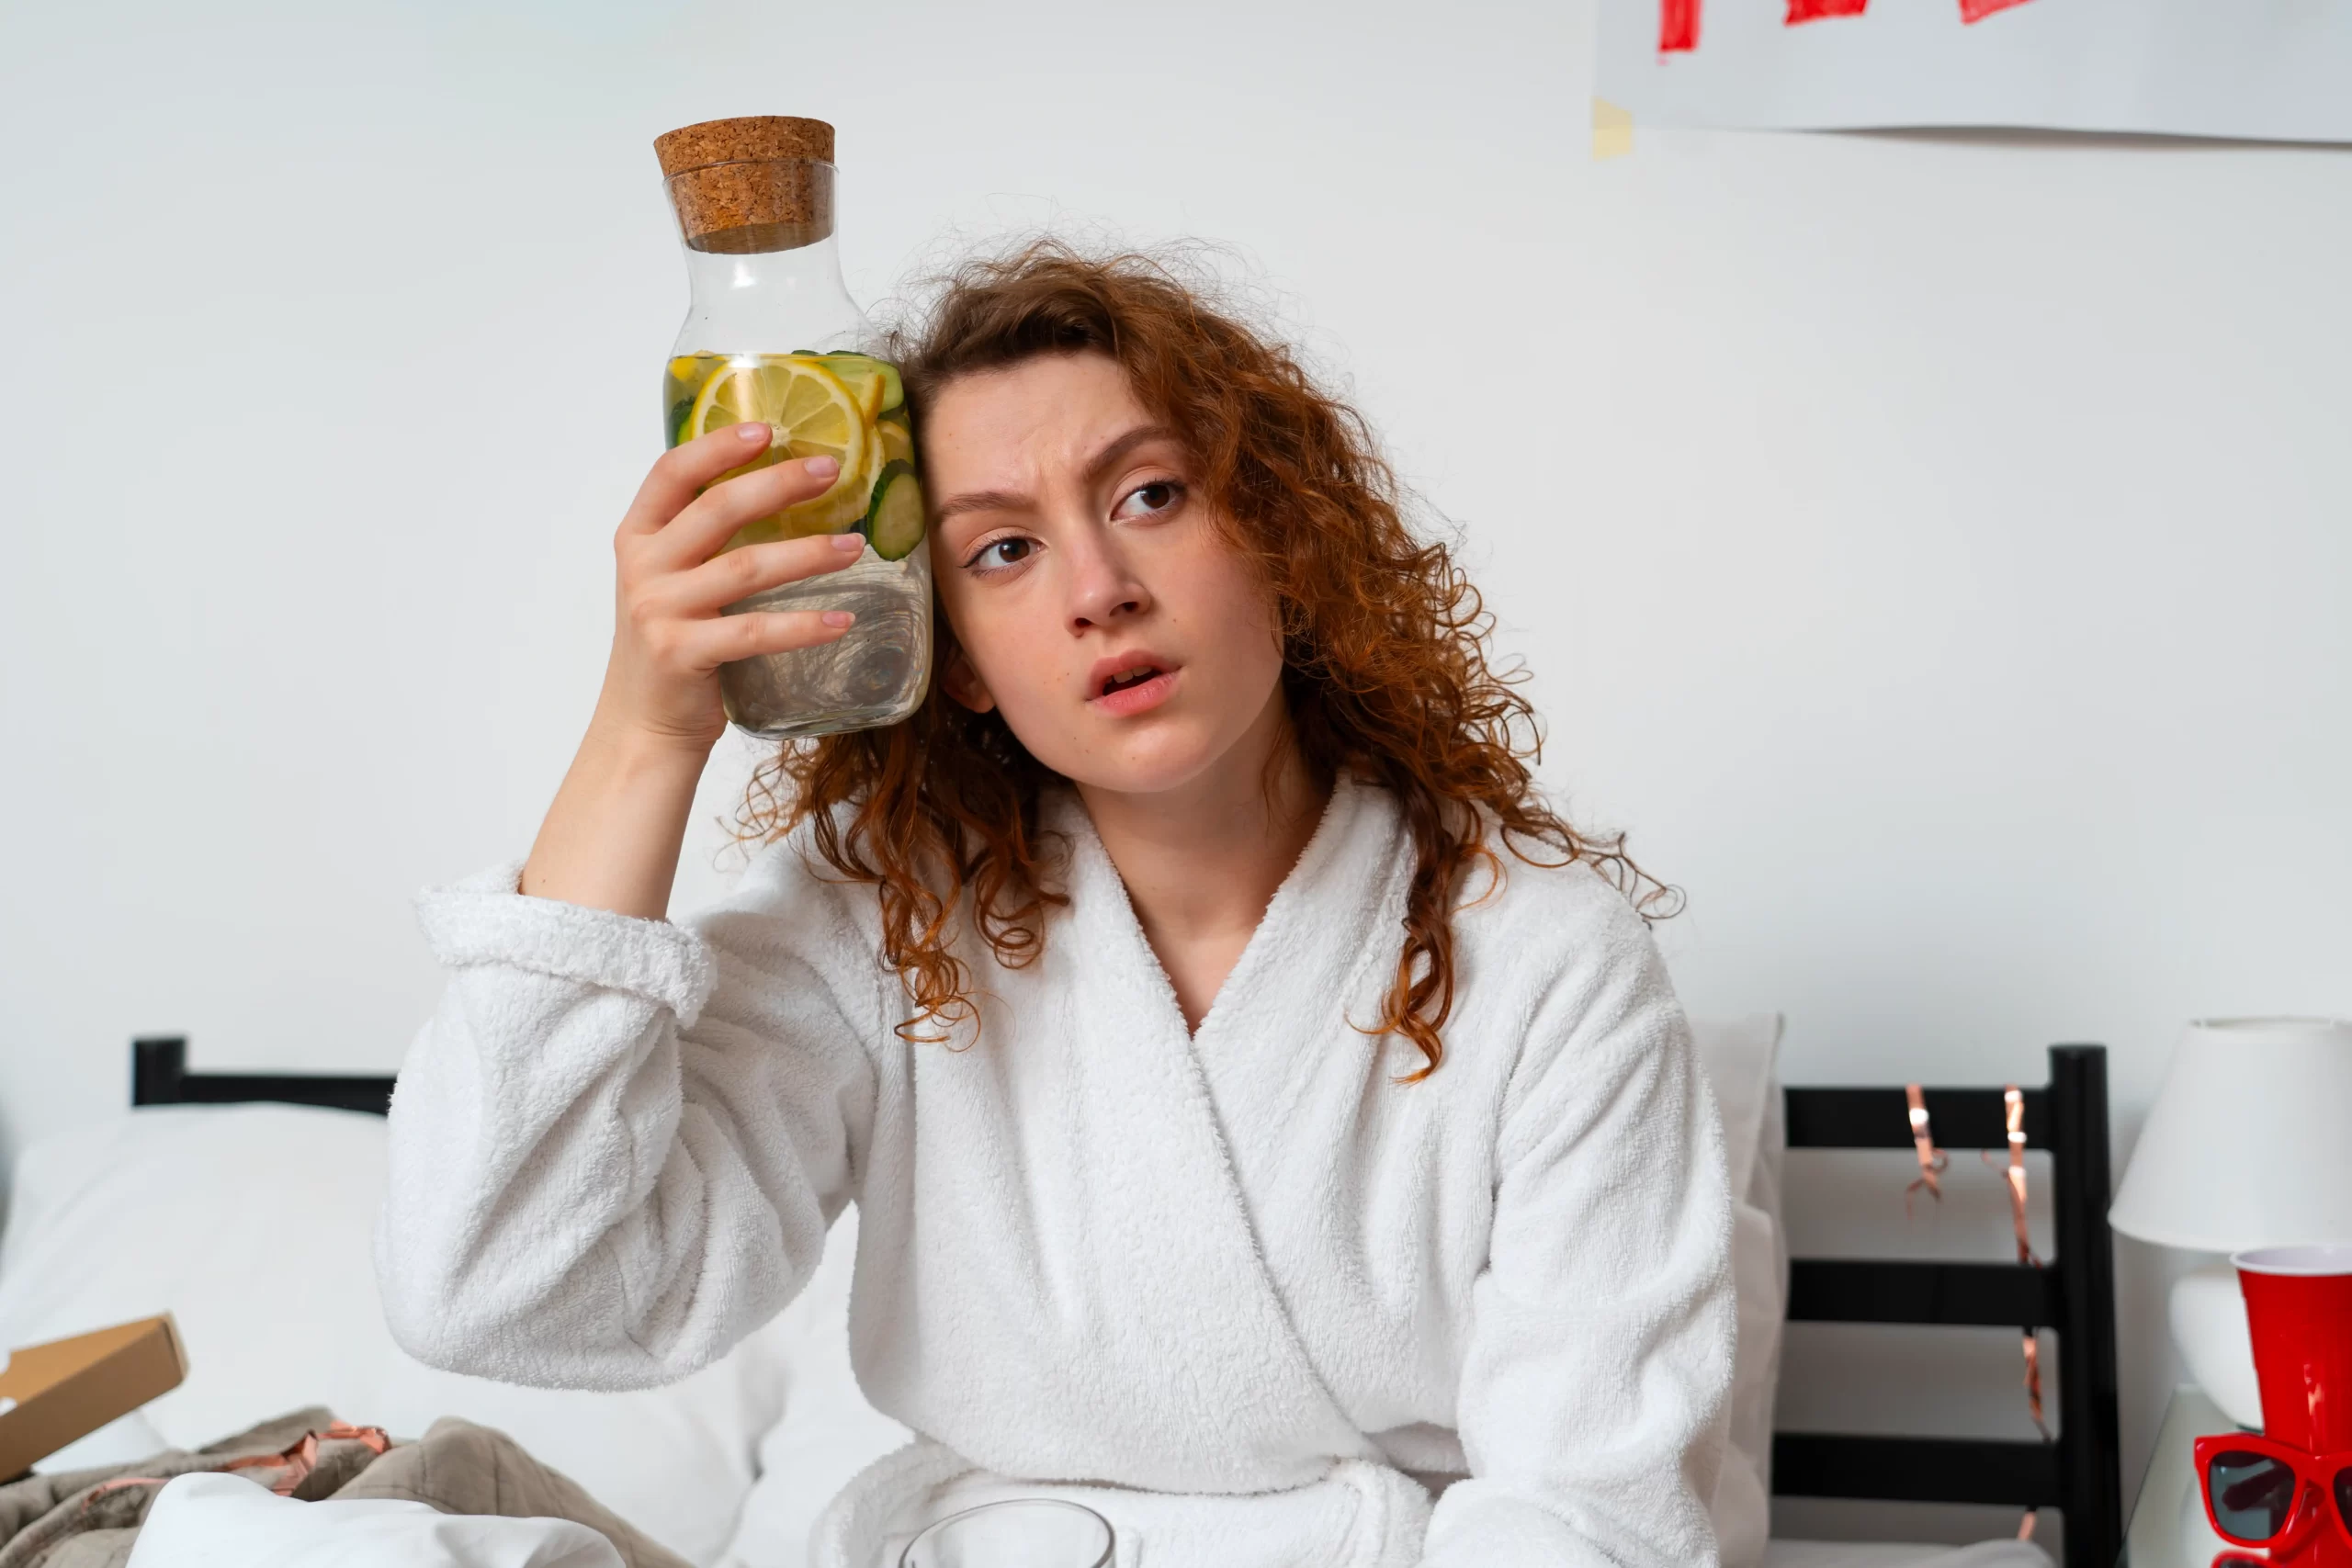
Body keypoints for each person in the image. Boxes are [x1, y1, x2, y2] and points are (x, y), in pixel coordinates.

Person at [377, 243, 1735, 1568]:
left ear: (1276, 532)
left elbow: (1592, 1520)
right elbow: (500, 1279)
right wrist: (645, 736)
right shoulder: (888, 918)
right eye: (1006, 549)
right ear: (956, 659)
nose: (1100, 591)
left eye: (1149, 495)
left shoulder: (1548, 963)